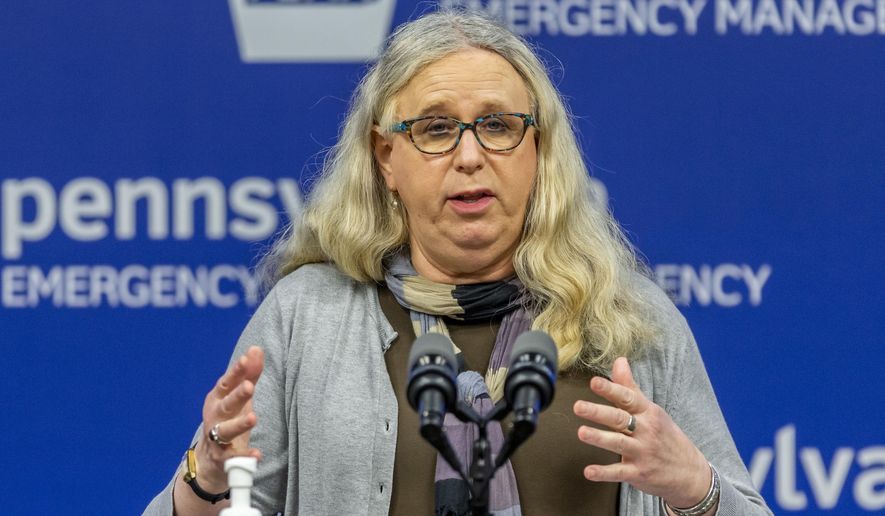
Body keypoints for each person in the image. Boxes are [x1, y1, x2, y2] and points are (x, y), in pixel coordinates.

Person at [145, 9, 771, 516]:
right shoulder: (307, 315)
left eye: (498, 125)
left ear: (538, 150)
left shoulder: (625, 319)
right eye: (437, 129)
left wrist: (697, 491)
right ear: (386, 157)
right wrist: (207, 478)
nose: (470, 156)